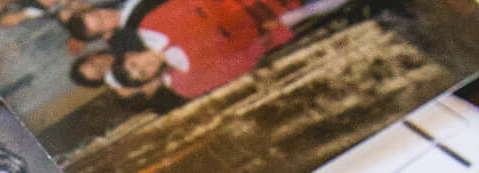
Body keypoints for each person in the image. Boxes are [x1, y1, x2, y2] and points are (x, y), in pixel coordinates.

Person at [103, 0, 351, 101]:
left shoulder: (150, 24)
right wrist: (262, 38)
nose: (144, 66)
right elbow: (239, 63)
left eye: (134, 65)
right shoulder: (189, 70)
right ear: (150, 78)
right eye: (142, 74)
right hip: (268, 19)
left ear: (129, 55)